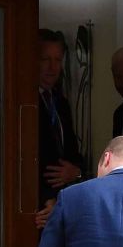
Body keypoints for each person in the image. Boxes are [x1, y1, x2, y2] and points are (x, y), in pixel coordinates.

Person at [36, 29, 84, 229]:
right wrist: (47, 199)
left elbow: (72, 154)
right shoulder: (22, 104)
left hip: (62, 205)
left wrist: (77, 172)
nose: (52, 67)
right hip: (36, 210)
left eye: (57, 59)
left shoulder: (60, 102)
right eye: (45, 59)